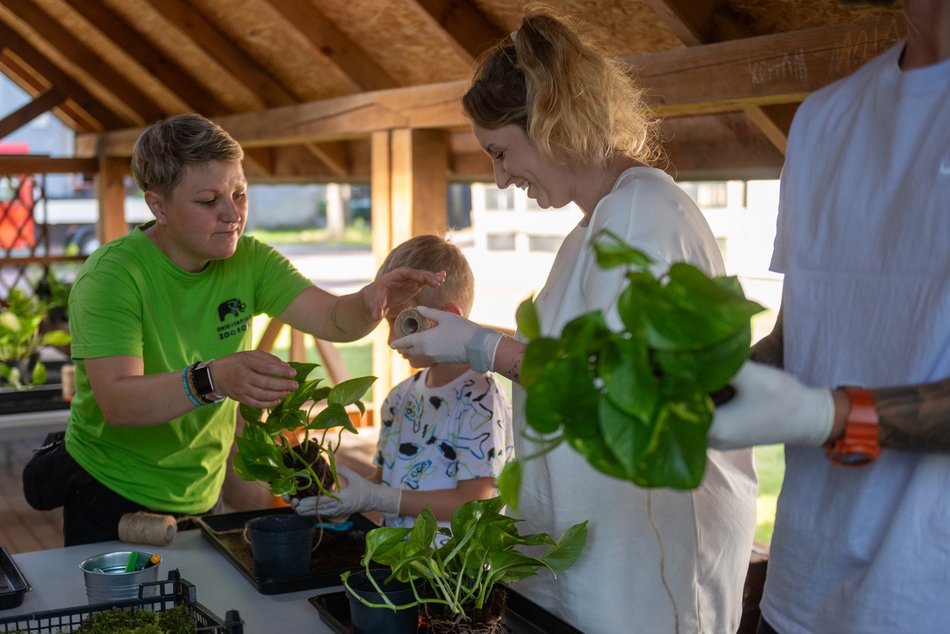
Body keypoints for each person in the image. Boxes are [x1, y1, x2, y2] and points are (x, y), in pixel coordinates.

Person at [390, 10, 757, 633]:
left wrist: (484, 347)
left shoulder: (643, 215)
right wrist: (474, 342)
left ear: (551, 123)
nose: (500, 178)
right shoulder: (595, 227)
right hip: (591, 550)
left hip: (645, 561)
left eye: (501, 152)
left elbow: (617, 387)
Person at [60, 113, 443, 546]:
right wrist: (214, 378)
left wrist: (372, 300)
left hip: (200, 490)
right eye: (209, 201)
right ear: (157, 206)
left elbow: (335, 318)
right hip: (107, 490)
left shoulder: (250, 259)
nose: (232, 215)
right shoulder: (113, 275)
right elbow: (119, 403)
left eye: (239, 194)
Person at [708, 1, 950, 632]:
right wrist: (701, 384)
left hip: (924, 603)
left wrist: (830, 416)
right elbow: (801, 333)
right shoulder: (823, 120)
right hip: (798, 591)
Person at [292, 234, 513, 528]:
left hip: (455, 559)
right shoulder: (400, 397)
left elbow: (474, 502)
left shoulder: (480, 400)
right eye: (387, 323)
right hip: (396, 554)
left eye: (403, 323)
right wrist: (343, 498)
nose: (391, 341)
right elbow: (383, 482)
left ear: (449, 318)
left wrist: (378, 498)